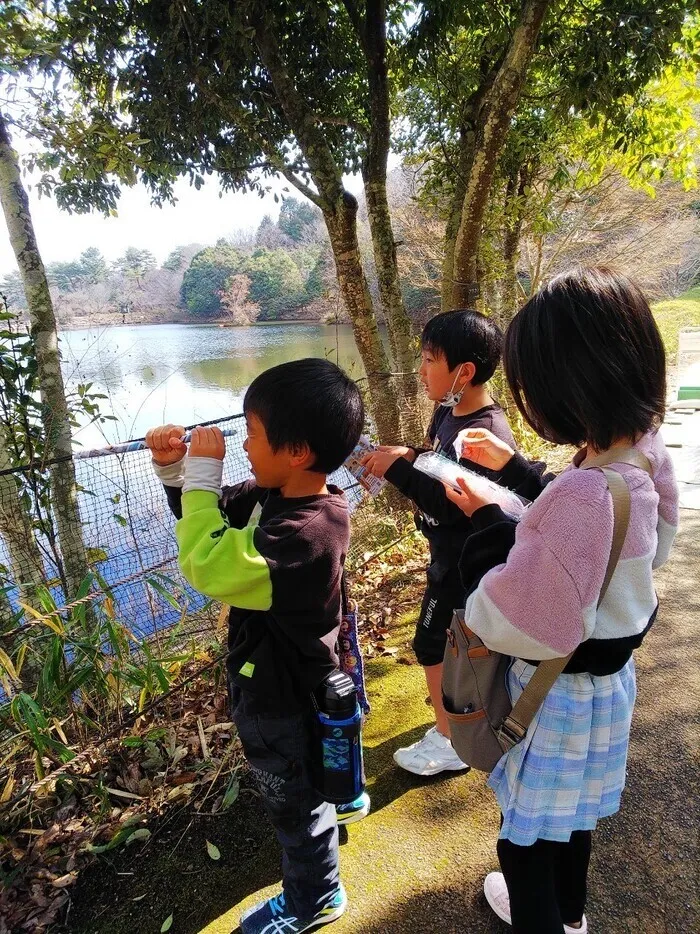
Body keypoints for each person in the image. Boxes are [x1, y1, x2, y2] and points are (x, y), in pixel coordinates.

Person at [442, 268, 678, 933]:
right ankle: (571, 917)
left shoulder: (580, 497)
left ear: (564, 385)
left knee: (522, 843)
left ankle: (544, 918)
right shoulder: (643, 456)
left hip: (554, 698)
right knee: (569, 819)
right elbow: (633, 548)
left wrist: (489, 529)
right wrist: (515, 490)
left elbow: (521, 621)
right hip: (608, 687)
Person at [145, 359, 365, 934]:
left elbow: (207, 561)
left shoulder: (305, 532)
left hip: (280, 694)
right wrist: (178, 472)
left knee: (295, 807)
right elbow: (209, 519)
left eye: (252, 434)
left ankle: (316, 898)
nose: (242, 445)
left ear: (295, 451)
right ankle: (337, 796)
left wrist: (200, 475)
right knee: (310, 780)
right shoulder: (280, 496)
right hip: (290, 678)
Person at [361, 309, 516, 776]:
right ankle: (454, 725)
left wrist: (399, 471)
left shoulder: (485, 432)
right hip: (444, 554)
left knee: (435, 645)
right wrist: (409, 454)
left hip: (463, 560)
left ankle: (453, 740)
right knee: (448, 645)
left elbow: (455, 501)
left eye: (429, 360)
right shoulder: (449, 411)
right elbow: (437, 459)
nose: (421, 370)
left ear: (463, 372)